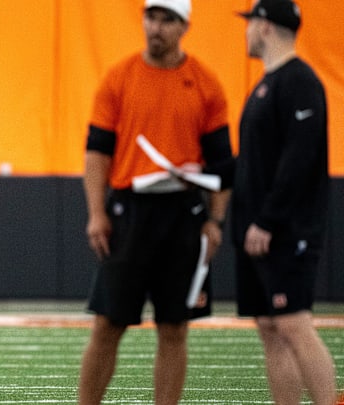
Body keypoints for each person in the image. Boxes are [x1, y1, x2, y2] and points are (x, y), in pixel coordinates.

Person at [78, 0, 235, 404]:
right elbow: (97, 151)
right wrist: (97, 213)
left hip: (183, 214)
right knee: (108, 324)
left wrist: (214, 222)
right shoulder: (120, 78)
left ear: (184, 26)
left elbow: (221, 163)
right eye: (152, 17)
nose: (157, 27)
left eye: (168, 20)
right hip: (129, 212)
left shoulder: (206, 84)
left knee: (174, 326)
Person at [233, 1, 337, 404]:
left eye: (249, 24)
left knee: (293, 324)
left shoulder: (299, 81)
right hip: (258, 230)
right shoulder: (264, 86)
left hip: (285, 230)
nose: (245, 32)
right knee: (270, 328)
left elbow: (300, 157)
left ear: (265, 27)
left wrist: (269, 220)